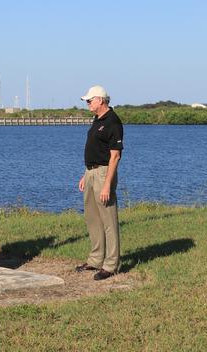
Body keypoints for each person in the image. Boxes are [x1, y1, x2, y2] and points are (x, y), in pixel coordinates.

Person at [77, 84, 123, 279]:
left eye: (89, 100)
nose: (87, 103)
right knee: (93, 218)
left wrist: (107, 185)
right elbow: (95, 149)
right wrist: (85, 174)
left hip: (104, 173)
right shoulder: (97, 119)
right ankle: (96, 259)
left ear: (100, 100)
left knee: (108, 220)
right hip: (91, 172)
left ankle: (111, 265)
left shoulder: (113, 121)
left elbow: (115, 156)